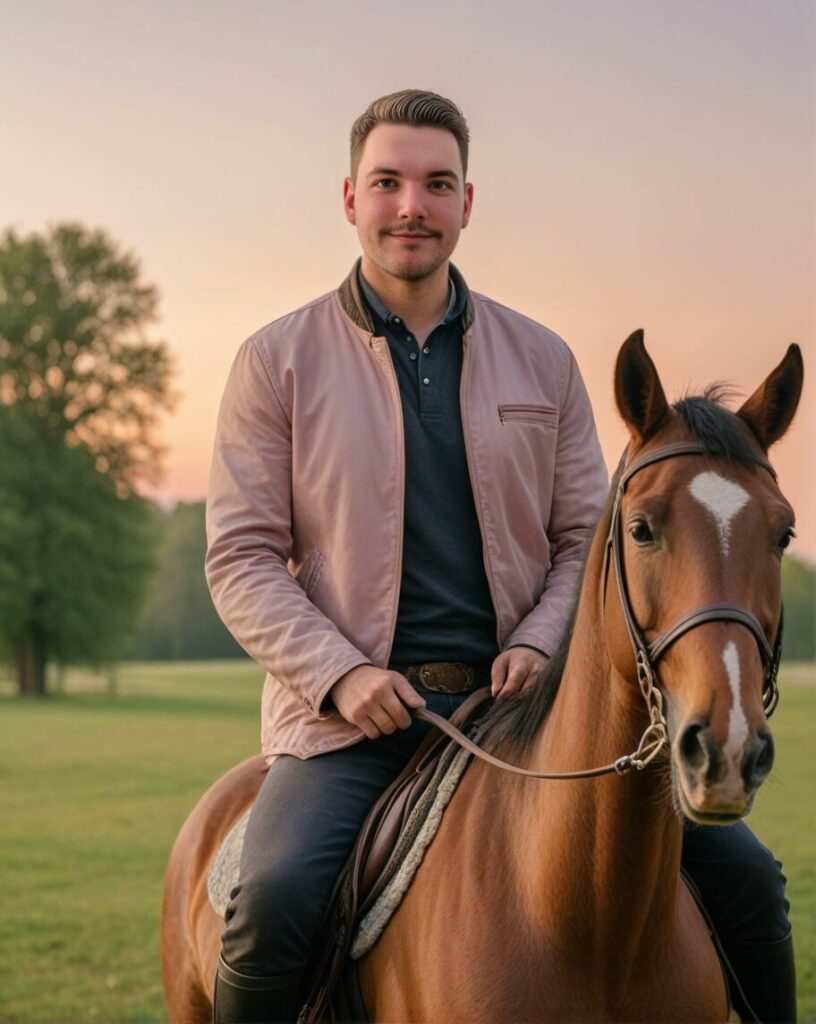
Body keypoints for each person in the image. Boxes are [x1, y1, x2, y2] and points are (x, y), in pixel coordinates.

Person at [205, 90, 795, 1024]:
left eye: (437, 184)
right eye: (388, 183)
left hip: (527, 710)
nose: (412, 206)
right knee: (271, 903)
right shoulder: (275, 361)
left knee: (753, 886)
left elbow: (585, 541)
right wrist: (340, 674)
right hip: (348, 726)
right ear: (350, 198)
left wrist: (536, 639)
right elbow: (240, 558)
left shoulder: (544, 360)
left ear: (467, 203)